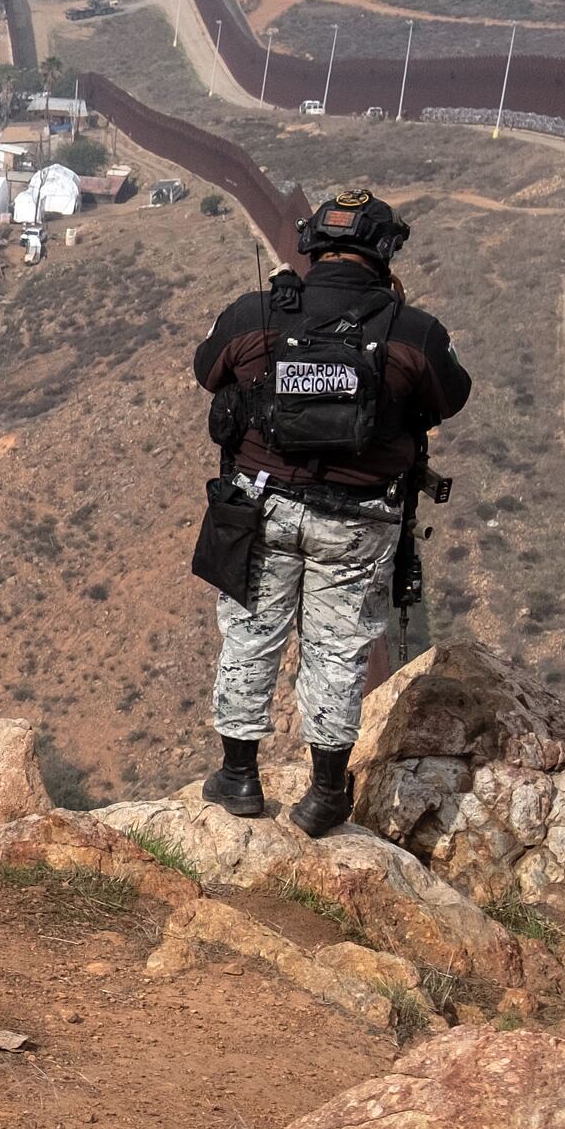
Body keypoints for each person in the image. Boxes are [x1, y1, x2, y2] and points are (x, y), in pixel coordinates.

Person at [189, 182, 471, 835]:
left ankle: (237, 777)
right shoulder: (413, 333)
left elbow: (208, 369)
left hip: (261, 509)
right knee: (338, 651)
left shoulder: (255, 314)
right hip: (358, 520)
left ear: (314, 245)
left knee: (250, 636)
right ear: (382, 251)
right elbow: (451, 395)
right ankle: (322, 796)